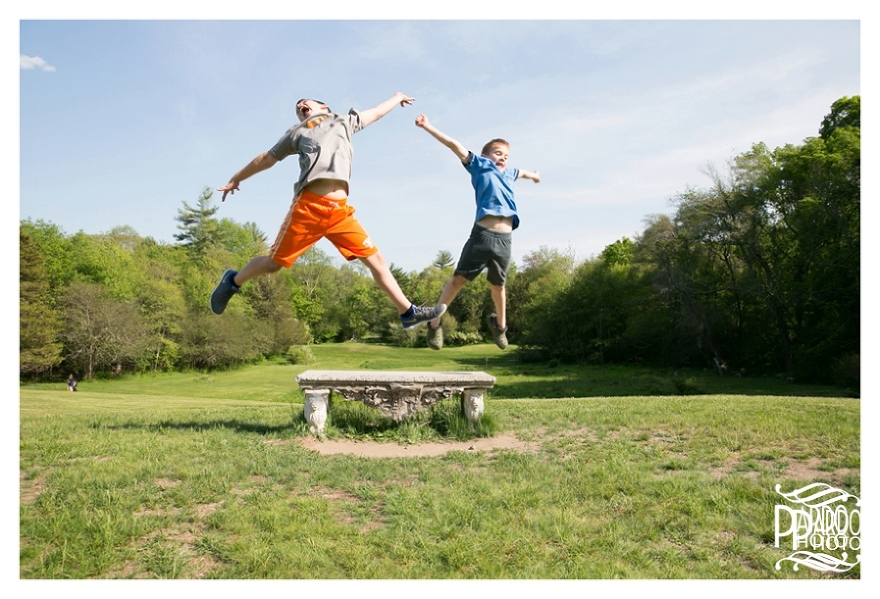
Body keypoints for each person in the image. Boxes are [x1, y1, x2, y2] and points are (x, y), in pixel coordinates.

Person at [211, 93, 446, 330]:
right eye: (297, 106)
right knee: (274, 264)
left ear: (323, 106)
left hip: (340, 213)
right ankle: (232, 281)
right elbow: (266, 159)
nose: (300, 105)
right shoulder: (297, 132)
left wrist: (396, 98)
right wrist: (236, 179)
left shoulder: (344, 122)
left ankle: (407, 313)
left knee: (376, 259)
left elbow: (376, 112)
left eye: (305, 102)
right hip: (309, 208)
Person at [414, 114, 540, 350]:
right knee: (458, 281)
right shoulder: (480, 166)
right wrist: (427, 126)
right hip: (482, 235)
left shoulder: (509, 173)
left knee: (499, 287)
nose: (502, 158)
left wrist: (534, 175)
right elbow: (454, 145)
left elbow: (520, 172)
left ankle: (500, 327)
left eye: (505, 155)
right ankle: (434, 323)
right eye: (497, 153)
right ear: (485, 156)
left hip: (505, 239)